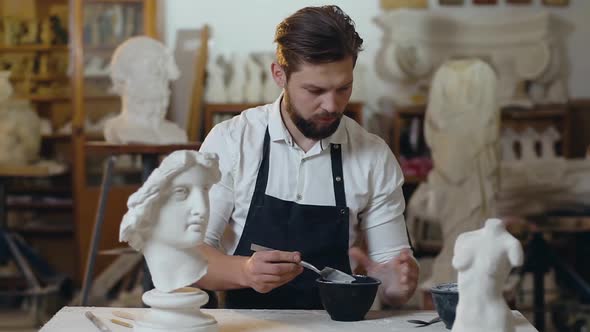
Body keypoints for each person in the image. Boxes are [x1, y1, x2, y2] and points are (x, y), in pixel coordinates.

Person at [197, 5, 419, 309]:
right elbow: (189, 255)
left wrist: (397, 283)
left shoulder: (374, 156)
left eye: (344, 88)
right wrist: (244, 272)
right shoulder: (232, 141)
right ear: (279, 74)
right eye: (315, 90)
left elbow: (392, 279)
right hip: (248, 325)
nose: (331, 105)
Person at [119, 150, 221, 292]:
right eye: (181, 192)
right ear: (150, 204)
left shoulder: (195, 266)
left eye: (204, 190)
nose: (202, 209)